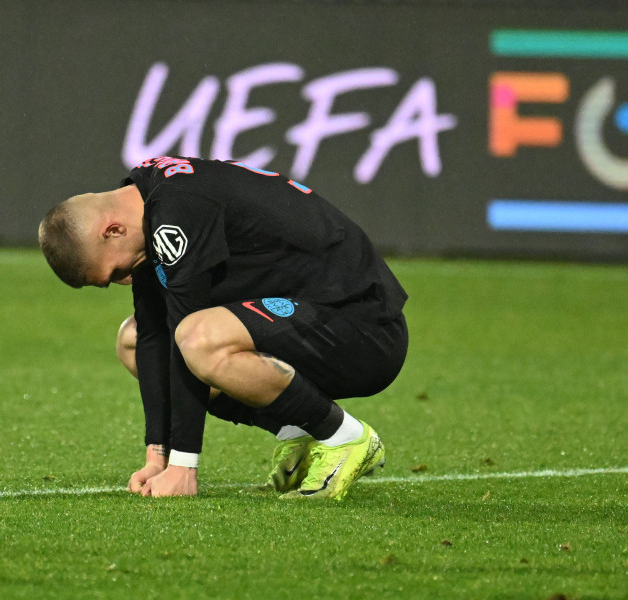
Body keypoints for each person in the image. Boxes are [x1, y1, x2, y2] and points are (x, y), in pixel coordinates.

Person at [38, 156, 408, 500]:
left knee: (198, 337)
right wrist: (158, 456)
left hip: (363, 327)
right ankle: (299, 431)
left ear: (113, 230)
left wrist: (185, 466)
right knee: (132, 341)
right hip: (306, 319)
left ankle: (346, 438)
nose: (123, 281)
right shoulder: (147, 200)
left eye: (116, 272)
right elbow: (154, 333)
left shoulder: (176, 212)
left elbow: (185, 334)